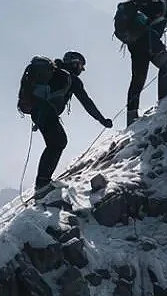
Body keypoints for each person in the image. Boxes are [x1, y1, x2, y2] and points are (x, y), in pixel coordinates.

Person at [18, 51, 112, 196]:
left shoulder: (55, 72)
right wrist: (102, 120)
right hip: (46, 111)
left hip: (39, 111)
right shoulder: (71, 79)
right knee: (58, 142)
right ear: (75, 64)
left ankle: (42, 182)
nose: (81, 70)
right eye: (81, 66)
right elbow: (87, 103)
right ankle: (42, 184)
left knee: (56, 143)